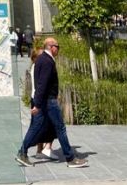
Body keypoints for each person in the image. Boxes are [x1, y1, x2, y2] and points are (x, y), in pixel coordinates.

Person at [15, 37, 87, 169]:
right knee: (60, 128)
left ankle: (22, 152)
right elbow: (41, 84)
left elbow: (40, 84)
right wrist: (37, 104)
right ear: (51, 47)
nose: (58, 49)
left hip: (44, 101)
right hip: (48, 101)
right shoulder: (47, 61)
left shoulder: (41, 60)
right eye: (57, 46)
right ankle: (70, 158)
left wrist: (37, 103)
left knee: (36, 127)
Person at [26, 44, 56, 160]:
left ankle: (40, 150)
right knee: (50, 124)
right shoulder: (40, 66)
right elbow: (43, 85)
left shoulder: (35, 66)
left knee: (39, 125)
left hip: (36, 98)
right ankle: (45, 148)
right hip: (41, 99)